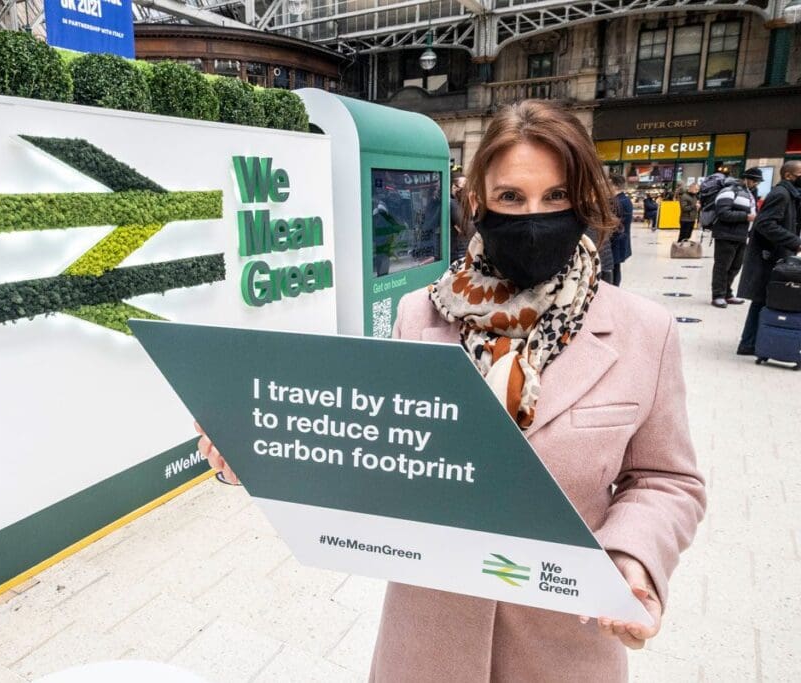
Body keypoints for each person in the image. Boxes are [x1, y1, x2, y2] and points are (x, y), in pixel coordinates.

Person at [198, 100, 705, 681]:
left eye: (556, 197)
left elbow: (667, 479)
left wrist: (632, 556)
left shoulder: (645, 331)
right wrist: (267, 454)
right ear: (479, 202)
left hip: (568, 634)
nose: (534, 219)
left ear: (584, 200)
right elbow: (374, 453)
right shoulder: (421, 316)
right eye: (511, 198)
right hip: (430, 636)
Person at [735, 161, 801, 355]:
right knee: (763, 298)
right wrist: (795, 242)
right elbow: (765, 224)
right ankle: (748, 343)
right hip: (769, 256)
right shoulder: (781, 194)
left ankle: (750, 342)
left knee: (763, 298)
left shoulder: (791, 195)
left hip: (775, 254)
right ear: (789, 175)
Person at [710, 168, 761, 308]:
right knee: (722, 267)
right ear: (746, 179)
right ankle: (718, 295)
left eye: (758, 182)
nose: (756, 184)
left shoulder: (749, 193)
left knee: (735, 267)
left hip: (741, 235)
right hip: (726, 235)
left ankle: (727, 293)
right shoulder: (729, 191)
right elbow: (723, 213)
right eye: (754, 181)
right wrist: (746, 217)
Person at [610, 176, 633, 287]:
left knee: (613, 269)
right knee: (616, 268)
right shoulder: (624, 199)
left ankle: (614, 291)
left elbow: (615, 226)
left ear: (614, 186)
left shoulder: (617, 202)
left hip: (616, 241)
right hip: (620, 240)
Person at [449, 170, 476, 263]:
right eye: (463, 187)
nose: (465, 190)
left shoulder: (462, 203)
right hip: (458, 254)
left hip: (464, 250)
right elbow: (470, 230)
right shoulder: (452, 203)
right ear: (453, 187)